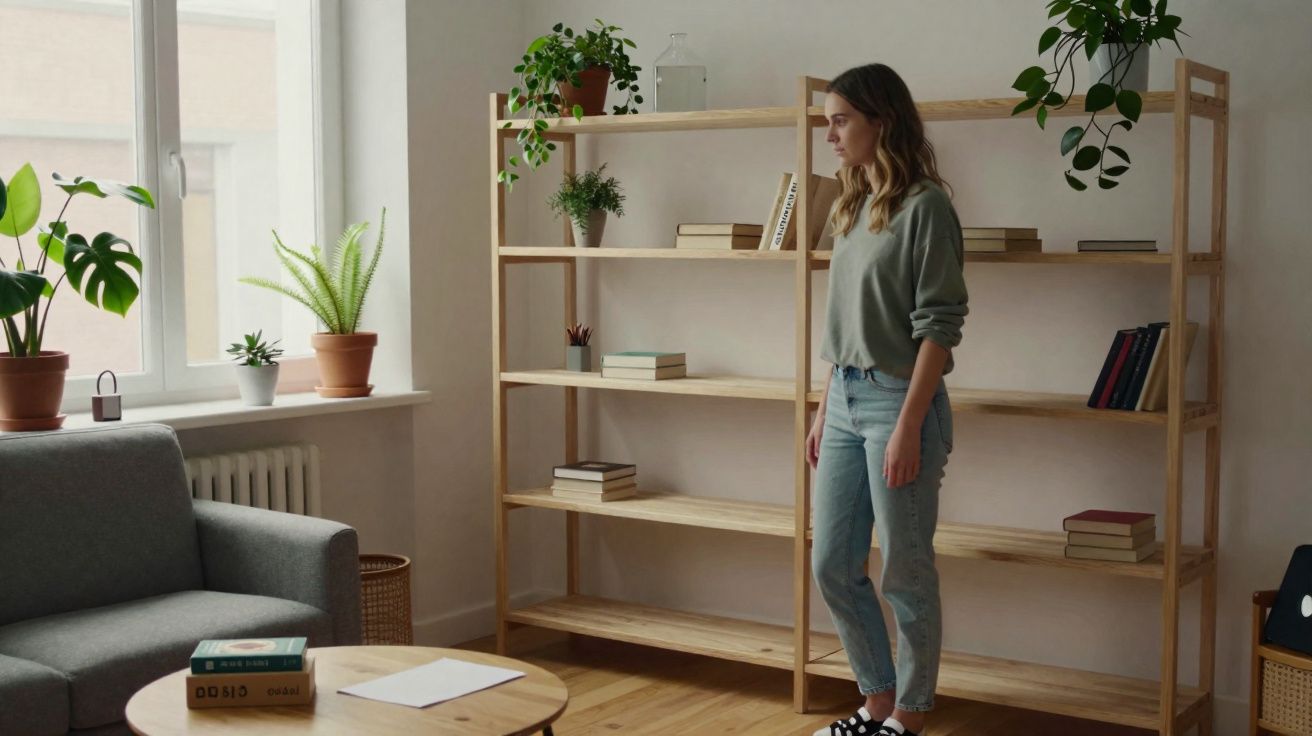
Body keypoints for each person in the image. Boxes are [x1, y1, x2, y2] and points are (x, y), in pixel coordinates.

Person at [808, 63, 968, 736]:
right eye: (828, 121)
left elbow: (941, 326)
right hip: (844, 398)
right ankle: (874, 702)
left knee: (904, 571)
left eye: (841, 119)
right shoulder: (849, 204)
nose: (831, 135)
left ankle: (909, 716)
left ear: (883, 120)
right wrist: (823, 406)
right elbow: (844, 319)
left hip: (901, 404)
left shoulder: (926, 207)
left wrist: (906, 428)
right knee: (832, 566)